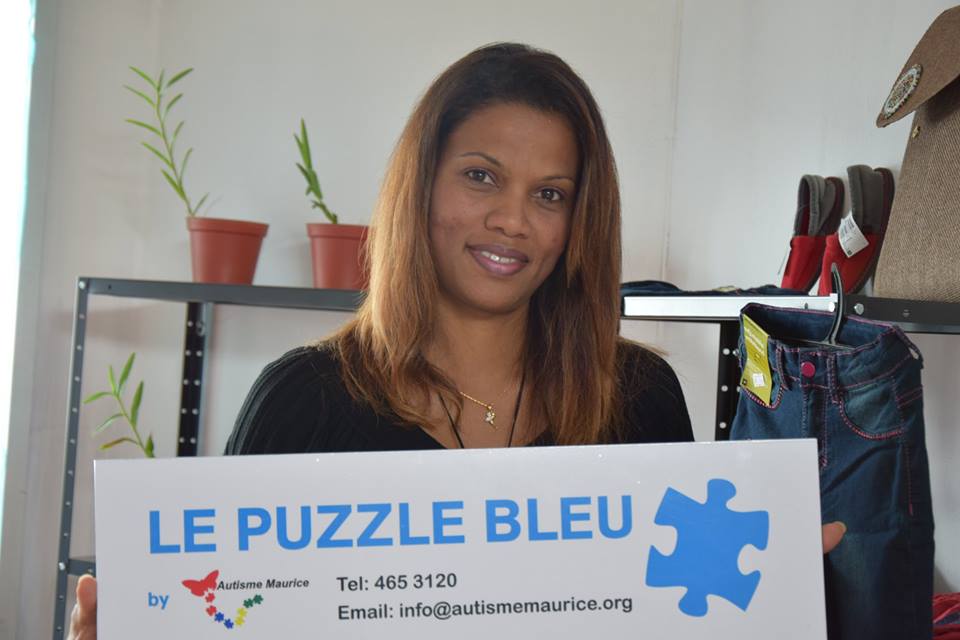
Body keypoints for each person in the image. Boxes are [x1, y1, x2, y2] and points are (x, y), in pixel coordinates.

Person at [66, 43, 845, 639]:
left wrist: (767, 606)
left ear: (578, 222)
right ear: (422, 184)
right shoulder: (303, 403)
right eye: (481, 176)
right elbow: (233, 615)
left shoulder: (638, 399)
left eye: (550, 194)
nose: (512, 220)